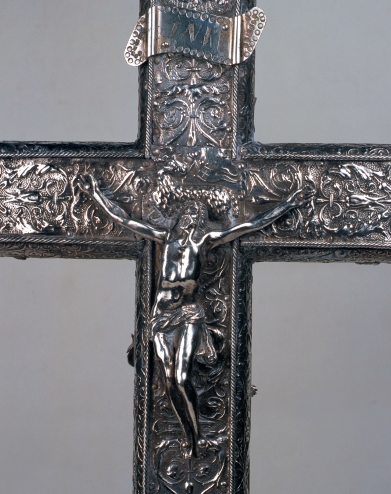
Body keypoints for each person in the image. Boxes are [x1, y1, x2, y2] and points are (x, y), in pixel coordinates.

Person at [80, 175, 312, 457]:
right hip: (161, 315)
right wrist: (95, 194)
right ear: (179, 219)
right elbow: (126, 220)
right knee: (168, 380)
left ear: (201, 221)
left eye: (196, 214)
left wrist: (288, 204)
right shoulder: (165, 238)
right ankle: (188, 434)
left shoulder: (205, 240)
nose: (191, 216)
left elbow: (250, 225)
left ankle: (196, 437)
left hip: (189, 312)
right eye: (187, 212)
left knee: (181, 377)